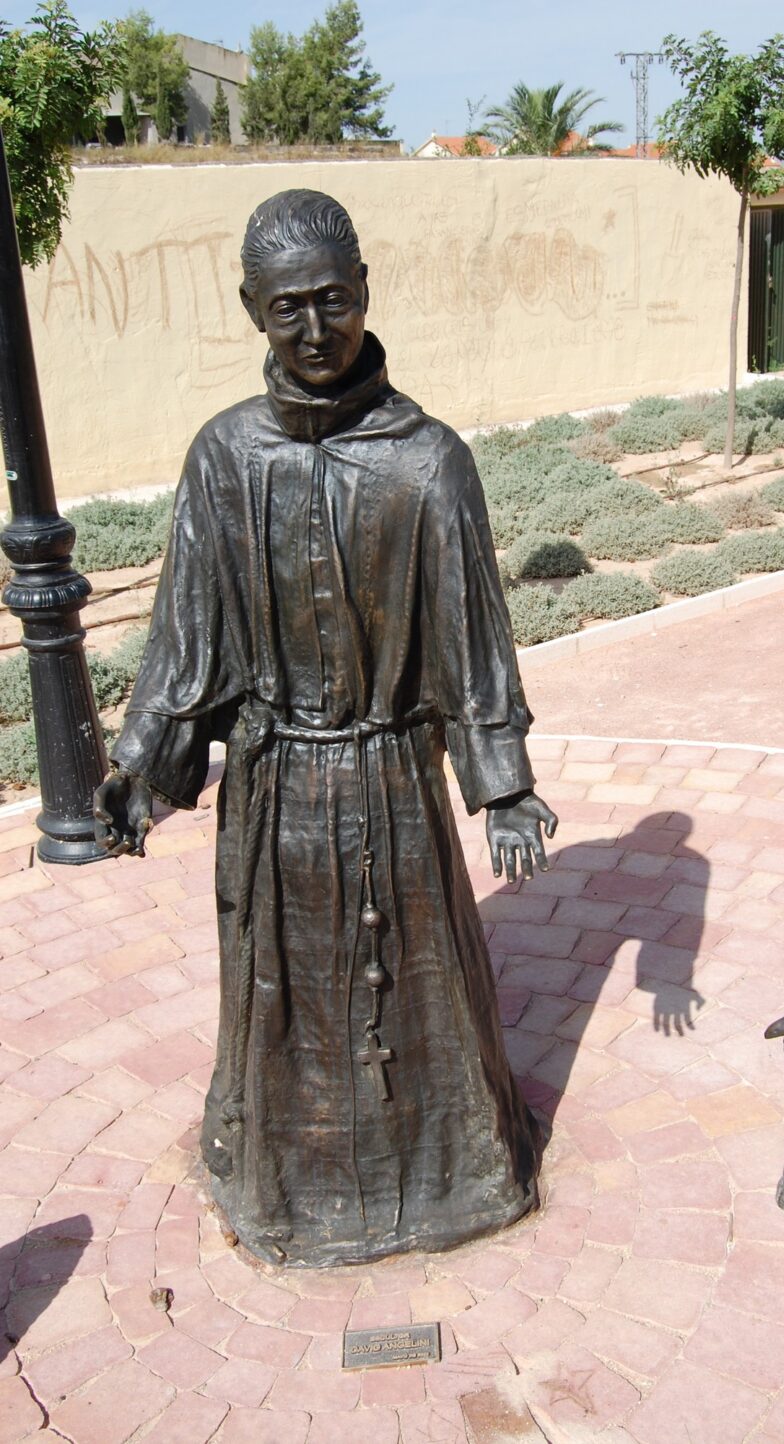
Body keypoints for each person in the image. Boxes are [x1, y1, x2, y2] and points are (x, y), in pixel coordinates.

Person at [92, 190, 557, 1268]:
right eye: (289, 307)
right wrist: (139, 769)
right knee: (284, 997)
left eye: (334, 301)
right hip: (277, 792)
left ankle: (449, 1178)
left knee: (422, 990)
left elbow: (470, 635)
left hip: (394, 779)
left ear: (366, 293)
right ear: (252, 308)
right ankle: (286, 1188)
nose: (315, 330)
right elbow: (185, 636)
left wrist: (503, 783)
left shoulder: (429, 459)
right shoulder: (225, 458)